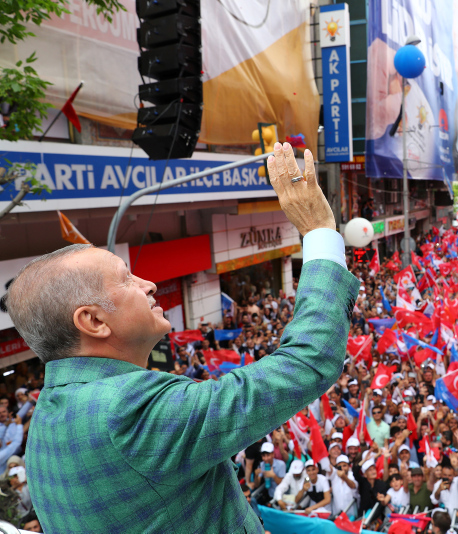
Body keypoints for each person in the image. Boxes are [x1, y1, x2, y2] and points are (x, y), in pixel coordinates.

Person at [3, 144, 359, 532]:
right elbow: (307, 362)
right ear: (92, 320)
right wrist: (320, 233)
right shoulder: (128, 412)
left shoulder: (43, 427)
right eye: (127, 278)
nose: (150, 284)